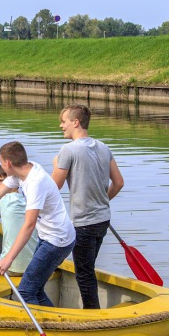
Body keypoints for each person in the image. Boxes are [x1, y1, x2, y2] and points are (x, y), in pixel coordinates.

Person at [0, 141, 76, 307]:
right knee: (35, 288)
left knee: (26, 291)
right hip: (48, 236)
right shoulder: (23, 172)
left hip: (57, 240)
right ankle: (53, 322)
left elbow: (29, 225)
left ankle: (48, 327)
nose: (1, 165)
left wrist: (8, 259)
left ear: (8, 163)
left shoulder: (34, 183)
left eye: (1, 162)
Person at [52, 103, 124, 309]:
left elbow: (53, 186)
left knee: (83, 274)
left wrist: (55, 165)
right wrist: (101, 202)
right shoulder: (103, 147)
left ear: (76, 122)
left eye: (63, 122)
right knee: (88, 269)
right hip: (102, 220)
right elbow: (119, 183)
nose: (61, 126)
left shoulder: (68, 150)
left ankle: (93, 315)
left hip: (83, 223)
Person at [0, 165, 38, 275]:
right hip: (33, 266)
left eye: (1, 181)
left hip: (12, 269)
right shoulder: (28, 199)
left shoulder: (4, 199)